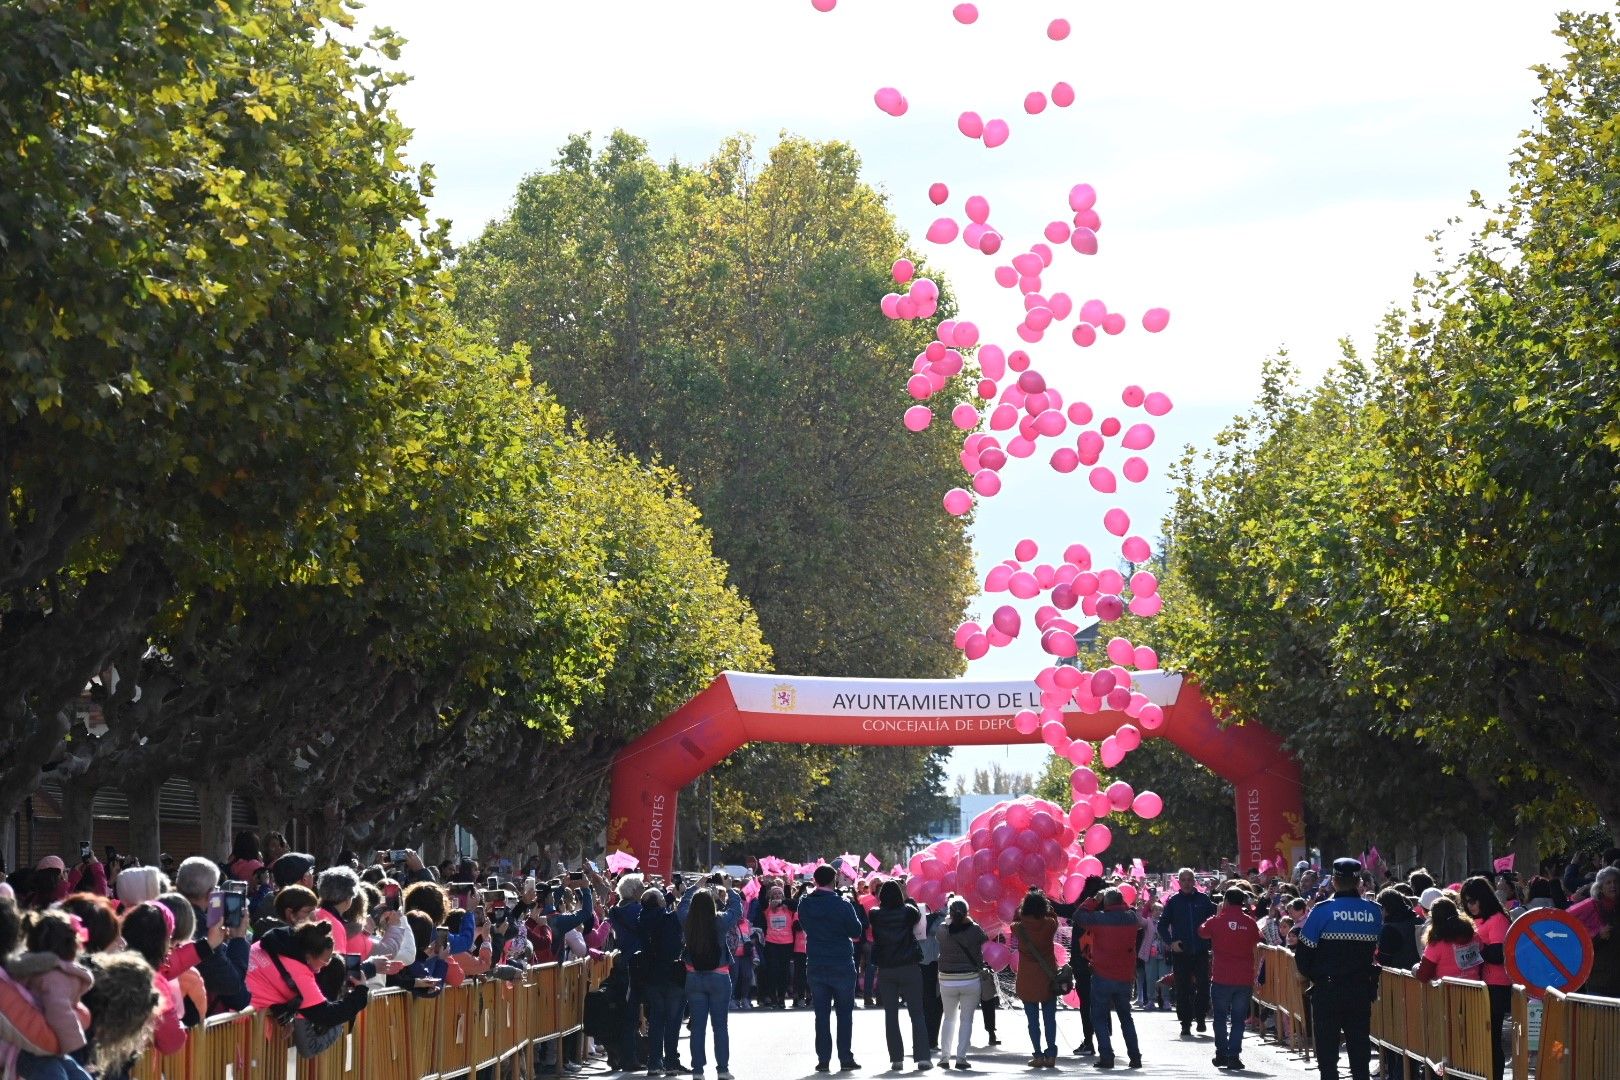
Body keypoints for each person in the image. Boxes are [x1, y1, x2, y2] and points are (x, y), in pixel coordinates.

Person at [1295, 858, 1383, 1080]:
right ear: (1358, 883)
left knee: (1327, 1053)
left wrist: (1313, 976)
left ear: (1334, 881)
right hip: (1361, 990)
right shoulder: (1374, 912)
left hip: (1328, 989)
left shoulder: (1322, 911)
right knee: (1360, 1048)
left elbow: (1304, 953)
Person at [4, 909, 95, 1080]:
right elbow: (58, 1011)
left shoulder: (39, 967)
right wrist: (72, 1043)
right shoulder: (55, 977)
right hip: (32, 1051)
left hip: (40, 1047)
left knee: (79, 1075)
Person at [795, 865, 865, 1073]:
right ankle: (845, 1058)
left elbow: (805, 926)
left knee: (821, 1014)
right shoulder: (843, 904)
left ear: (815, 880)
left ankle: (823, 1059)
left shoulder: (805, 904)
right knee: (844, 1013)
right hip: (841, 961)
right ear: (833, 880)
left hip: (817, 961)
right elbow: (856, 930)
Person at [1073, 887, 1142, 1071]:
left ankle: (1106, 1056)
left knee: (1099, 1017)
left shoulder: (1099, 918)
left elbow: (1079, 915)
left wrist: (1094, 899)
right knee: (1126, 1017)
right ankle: (1135, 1056)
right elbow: (1128, 909)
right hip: (1124, 976)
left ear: (1106, 903)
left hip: (1102, 974)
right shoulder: (1131, 918)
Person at [678, 883, 742, 1080]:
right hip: (719, 977)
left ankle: (698, 1071)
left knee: (697, 1026)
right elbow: (736, 909)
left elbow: (682, 905)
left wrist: (694, 887)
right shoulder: (720, 921)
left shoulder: (687, 920)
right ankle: (722, 1069)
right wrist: (729, 888)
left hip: (693, 976)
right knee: (720, 1026)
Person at [868, 880, 931, 1071]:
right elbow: (915, 911)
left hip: (886, 968)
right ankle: (923, 1058)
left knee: (891, 1014)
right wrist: (906, 895)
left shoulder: (874, 914)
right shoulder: (908, 911)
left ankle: (896, 1058)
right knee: (917, 1013)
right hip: (909, 966)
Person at [174, 856, 250, 1014]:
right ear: (211, 894)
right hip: (185, 1028)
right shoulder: (200, 930)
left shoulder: (159, 914)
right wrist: (238, 940)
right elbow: (235, 993)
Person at [1199, 887, 1260, 1071]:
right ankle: (1234, 1055)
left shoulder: (1217, 921)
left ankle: (1221, 1053)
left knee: (1219, 1018)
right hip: (1243, 978)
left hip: (1221, 977)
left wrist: (1217, 916)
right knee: (1238, 1019)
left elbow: (1201, 931)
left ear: (1225, 901)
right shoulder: (1249, 922)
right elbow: (1257, 938)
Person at [118, 902, 188, 1057]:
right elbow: (173, 1042)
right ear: (162, 941)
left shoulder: (104, 966)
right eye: (169, 938)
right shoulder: (153, 982)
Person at [1460, 876, 1512, 1080]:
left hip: (1496, 986)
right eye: (1466, 901)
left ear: (1483, 898)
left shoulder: (1497, 919)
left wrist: (1476, 948)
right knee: (1482, 1038)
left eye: (1473, 900)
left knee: (1492, 1039)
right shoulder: (1480, 920)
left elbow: (1499, 955)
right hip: (1482, 984)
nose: (1470, 905)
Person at [1157, 868, 1215, 1038]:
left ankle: (1201, 1018)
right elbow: (1162, 925)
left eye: (1190, 879)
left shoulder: (1204, 900)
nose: (1187, 883)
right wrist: (1170, 943)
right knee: (1183, 989)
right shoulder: (1174, 901)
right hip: (1181, 952)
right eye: (1184, 880)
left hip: (1201, 951)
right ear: (1179, 882)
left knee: (1203, 986)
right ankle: (1185, 1023)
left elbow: (1212, 923)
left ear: (1194, 881)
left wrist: (1210, 942)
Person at [637, 885, 685, 1078]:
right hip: (671, 974)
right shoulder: (670, 919)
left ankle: (654, 1063)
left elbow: (654, 904)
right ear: (660, 903)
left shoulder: (641, 920)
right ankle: (671, 1061)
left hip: (651, 975)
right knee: (672, 1021)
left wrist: (665, 897)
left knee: (656, 1020)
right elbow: (674, 946)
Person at [934, 897, 987, 1070]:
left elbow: (941, 932)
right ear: (967, 912)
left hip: (947, 980)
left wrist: (949, 920)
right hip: (969, 979)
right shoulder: (974, 930)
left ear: (949, 912)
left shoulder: (942, 930)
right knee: (966, 1020)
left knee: (948, 1018)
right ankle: (961, 1058)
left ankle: (944, 1057)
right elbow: (983, 938)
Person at [1012, 889, 1059, 1069]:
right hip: (1048, 978)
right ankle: (1051, 1054)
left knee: (1032, 1021)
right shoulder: (1049, 925)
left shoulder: (1018, 927)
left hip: (1027, 979)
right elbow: (1053, 915)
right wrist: (1046, 904)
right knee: (1050, 1019)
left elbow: (1015, 916)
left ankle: (1038, 1055)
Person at [1566, 865, 1617, 996]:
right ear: (1600, 887)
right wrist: (1599, 936)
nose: (1613, 886)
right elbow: (1576, 941)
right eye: (1608, 882)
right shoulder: (1590, 908)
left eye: (1616, 882)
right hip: (1599, 980)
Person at [760, 885, 794, 1009]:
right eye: (774, 894)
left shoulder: (788, 908)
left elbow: (794, 902)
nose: (777, 896)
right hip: (772, 943)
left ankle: (781, 998)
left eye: (779, 894)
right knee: (773, 971)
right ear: (771, 896)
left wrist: (787, 887)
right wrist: (764, 885)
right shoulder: (767, 908)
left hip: (787, 943)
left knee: (784, 972)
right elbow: (761, 901)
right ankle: (773, 997)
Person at [1136, 901, 1167, 1010]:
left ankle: (1166, 1000)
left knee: (1165, 977)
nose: (1158, 912)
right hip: (1150, 954)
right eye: (1156, 909)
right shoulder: (1148, 921)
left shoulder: (1166, 921)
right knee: (1150, 978)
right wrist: (1139, 910)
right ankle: (1151, 1000)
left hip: (1163, 954)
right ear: (1152, 911)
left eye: (1160, 910)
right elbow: (1139, 921)